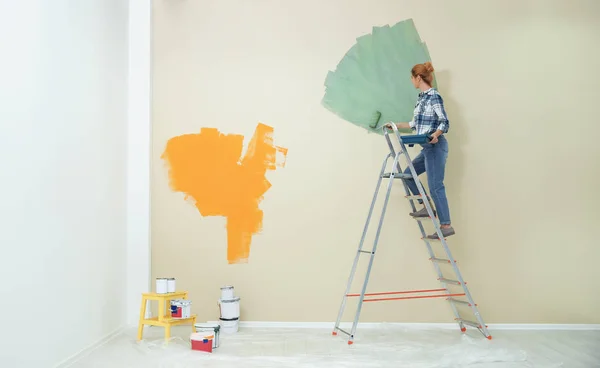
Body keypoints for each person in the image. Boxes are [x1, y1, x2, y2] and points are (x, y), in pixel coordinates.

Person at [385, 61, 454, 239]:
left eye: (412, 78)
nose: (411, 81)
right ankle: (427, 206)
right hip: (427, 148)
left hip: (435, 146)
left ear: (418, 77)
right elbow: (413, 124)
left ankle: (446, 225)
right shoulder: (421, 98)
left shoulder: (434, 97)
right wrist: (394, 125)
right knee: (409, 174)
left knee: (435, 185)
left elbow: (444, 122)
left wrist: (436, 134)